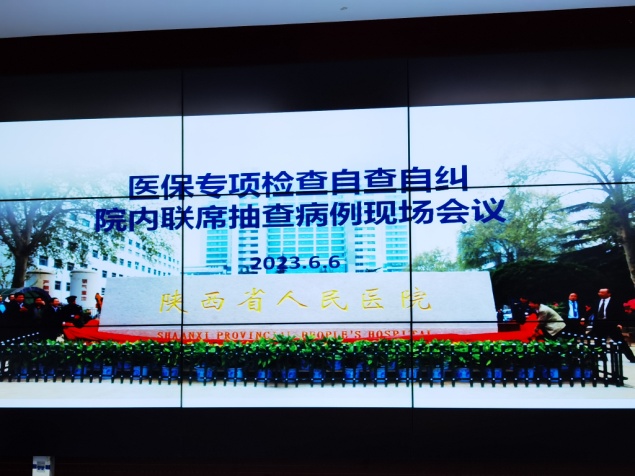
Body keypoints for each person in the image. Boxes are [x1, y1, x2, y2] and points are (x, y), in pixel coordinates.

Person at [590, 288, 635, 363]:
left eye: (602, 293)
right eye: (599, 292)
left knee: (620, 341)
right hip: (599, 324)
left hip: (611, 324)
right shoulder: (596, 301)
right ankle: (602, 356)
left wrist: (620, 323)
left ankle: (631, 358)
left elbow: (620, 314)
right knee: (598, 342)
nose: (600, 294)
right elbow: (592, 311)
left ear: (609, 294)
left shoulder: (615, 302)